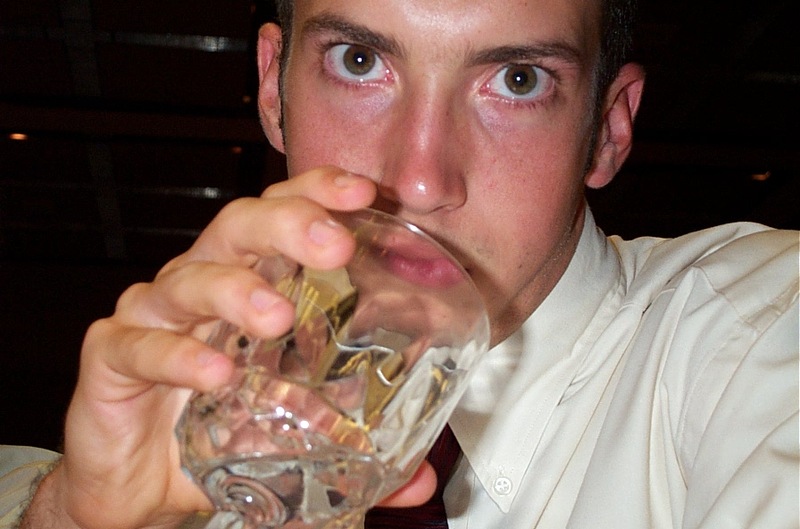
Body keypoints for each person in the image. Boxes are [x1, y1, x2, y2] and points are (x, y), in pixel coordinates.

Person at [2, 0, 798, 527]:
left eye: (517, 80)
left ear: (608, 129)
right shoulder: (216, 443)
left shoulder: (756, 337)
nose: (419, 179)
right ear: (273, 90)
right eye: (358, 61)